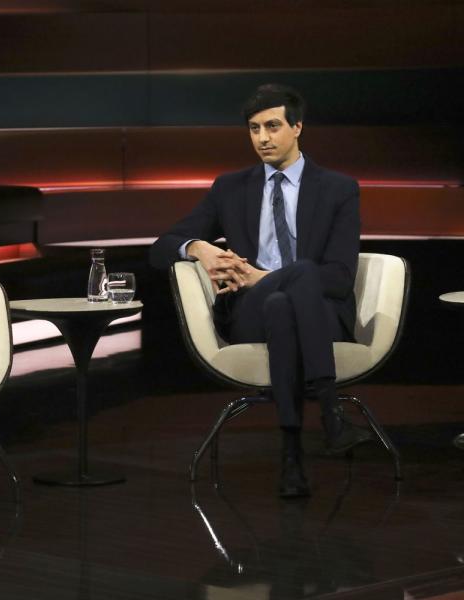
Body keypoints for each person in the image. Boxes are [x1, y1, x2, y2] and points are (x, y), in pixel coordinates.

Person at [150, 84, 372, 498]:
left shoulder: (338, 189)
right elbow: (162, 246)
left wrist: (261, 278)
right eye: (254, 129)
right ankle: (330, 412)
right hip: (246, 314)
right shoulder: (231, 188)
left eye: (272, 126)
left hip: (320, 312)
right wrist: (199, 248)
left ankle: (291, 458)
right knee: (281, 293)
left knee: (285, 297)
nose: (263, 138)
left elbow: (340, 278)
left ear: (297, 127)